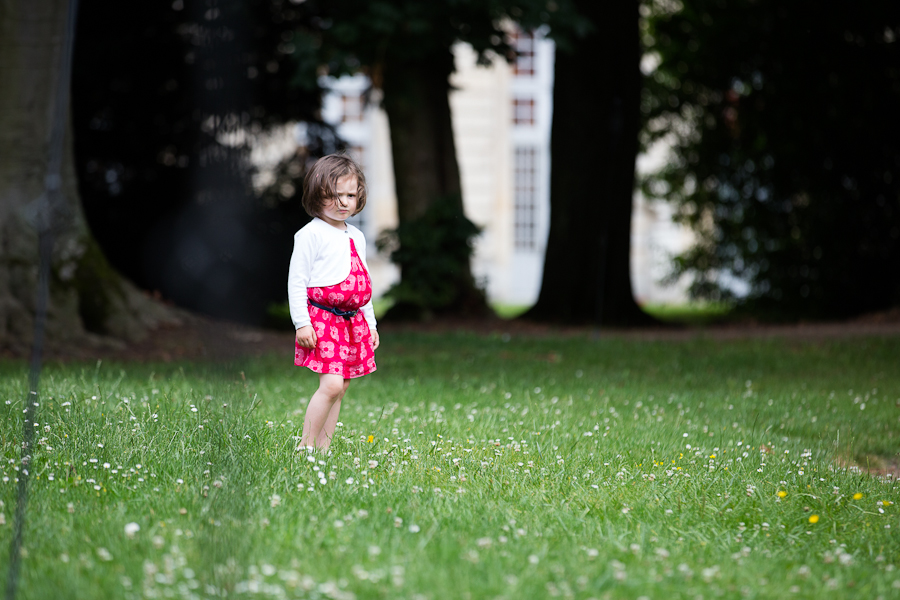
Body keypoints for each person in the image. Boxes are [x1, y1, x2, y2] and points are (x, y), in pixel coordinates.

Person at [288, 154, 380, 452]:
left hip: (351, 321)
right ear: (317, 195)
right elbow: (297, 281)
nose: (343, 203)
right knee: (330, 385)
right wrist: (302, 322)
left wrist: (371, 323)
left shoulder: (356, 235)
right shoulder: (310, 234)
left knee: (342, 386)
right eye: (334, 195)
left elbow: (362, 284)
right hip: (323, 320)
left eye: (350, 195)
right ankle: (306, 446)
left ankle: (323, 449)